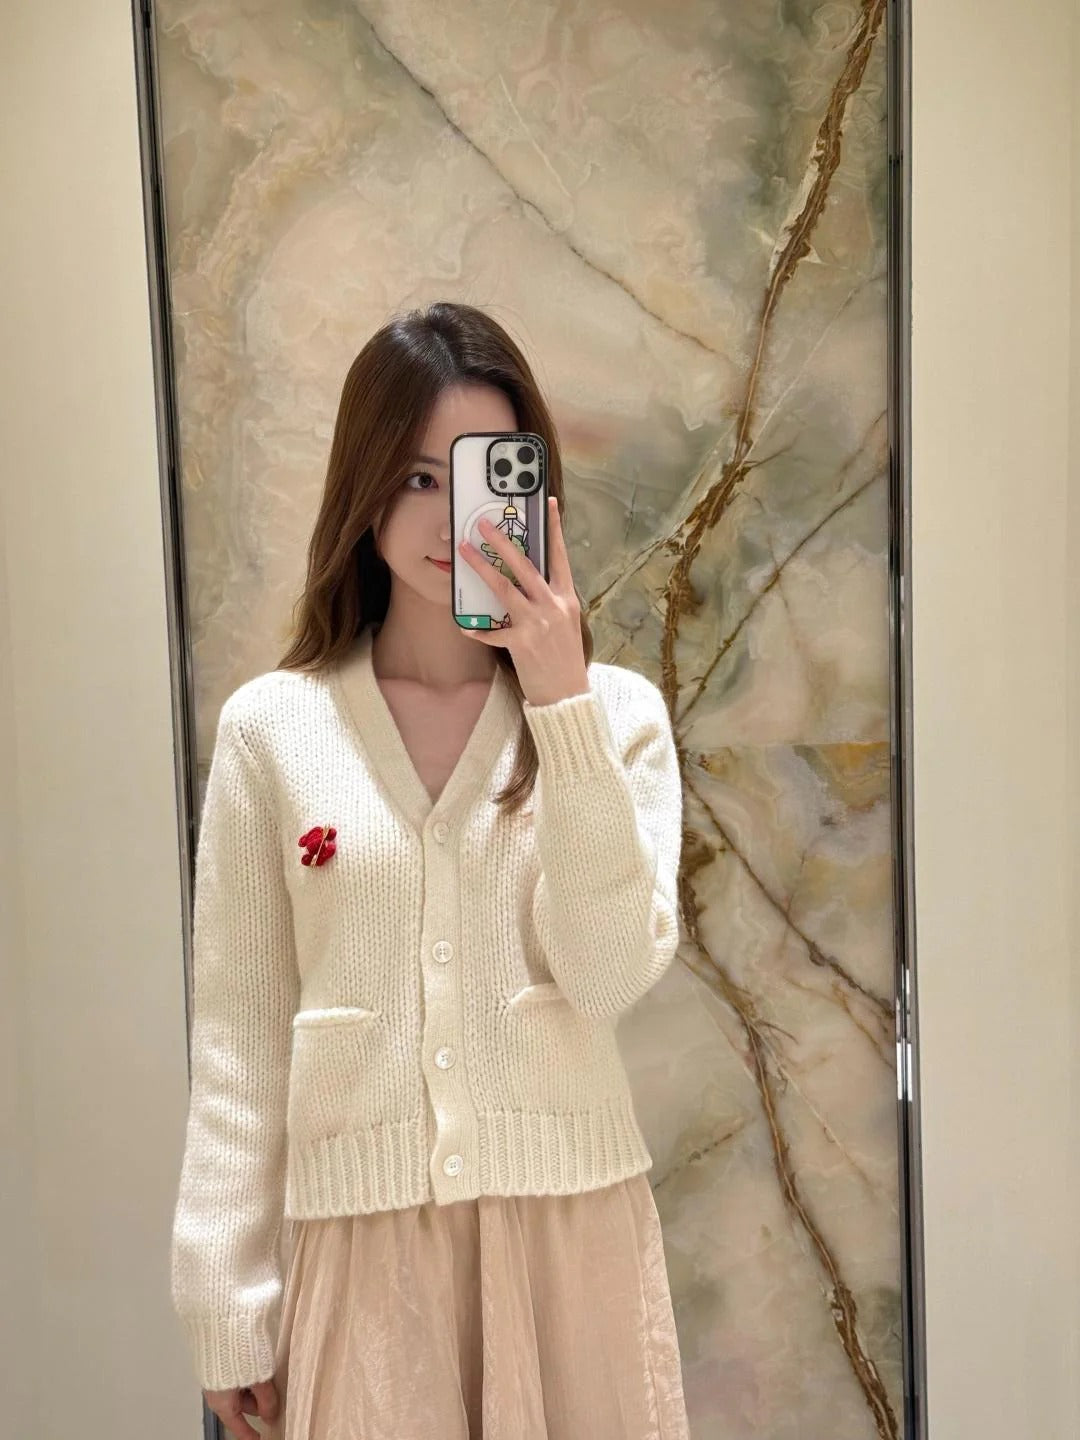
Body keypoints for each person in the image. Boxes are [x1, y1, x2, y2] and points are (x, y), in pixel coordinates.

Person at [169, 301, 690, 1439]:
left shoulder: (617, 718)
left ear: (533, 495)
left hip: (572, 1251)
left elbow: (608, 974)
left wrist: (559, 700)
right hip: (363, 1264)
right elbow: (239, 1040)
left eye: (482, 477)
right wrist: (225, 1303)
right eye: (415, 478)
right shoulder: (274, 731)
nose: (452, 517)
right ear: (362, 493)